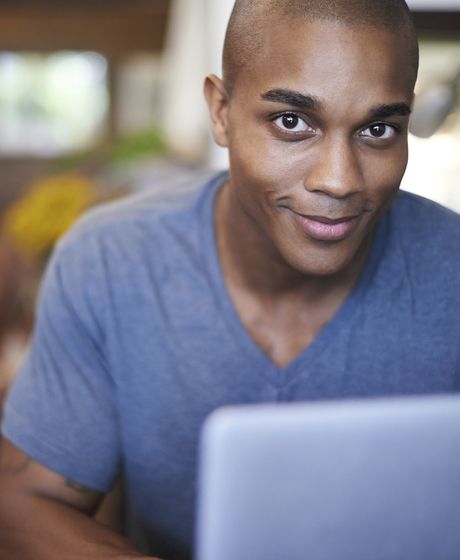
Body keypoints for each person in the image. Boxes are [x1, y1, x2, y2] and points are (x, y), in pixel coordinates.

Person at [1, 1, 459, 559]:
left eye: (378, 129)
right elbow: (26, 502)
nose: (339, 180)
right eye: (292, 122)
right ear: (220, 112)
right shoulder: (112, 261)